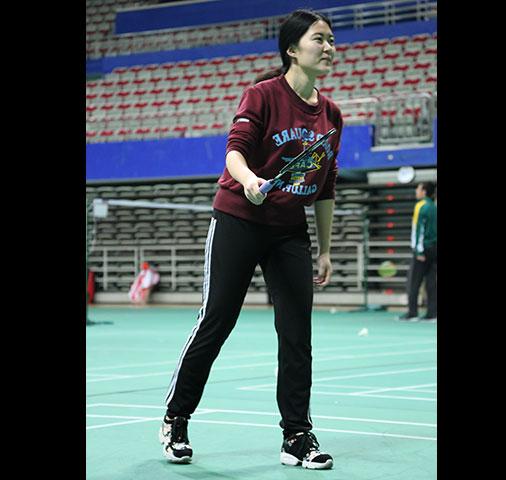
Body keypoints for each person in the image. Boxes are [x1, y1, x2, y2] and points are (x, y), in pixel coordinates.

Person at [160, 9, 341, 470]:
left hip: (288, 230)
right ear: (292, 49)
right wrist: (249, 181)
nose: (328, 48)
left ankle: (296, 436)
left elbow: (325, 188)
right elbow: (235, 150)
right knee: (216, 320)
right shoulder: (262, 95)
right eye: (319, 39)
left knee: (297, 333)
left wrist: (324, 250)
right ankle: (176, 418)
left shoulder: (331, 115)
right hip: (239, 217)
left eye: (331, 41)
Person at [399, 181, 437, 322]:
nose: (416, 191)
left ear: (424, 191)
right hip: (434, 249)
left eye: (418, 188)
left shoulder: (421, 206)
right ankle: (432, 313)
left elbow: (418, 229)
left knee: (413, 282)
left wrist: (418, 251)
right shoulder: (434, 206)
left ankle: (412, 313)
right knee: (431, 282)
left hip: (423, 249)